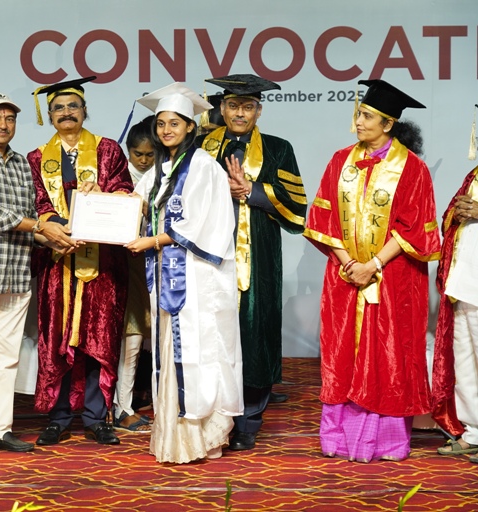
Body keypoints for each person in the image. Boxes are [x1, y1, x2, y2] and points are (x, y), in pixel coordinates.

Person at [303, 79, 440, 463]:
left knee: (387, 356)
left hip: (393, 278)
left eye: (366, 116)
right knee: (344, 355)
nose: (358, 123)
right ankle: (339, 439)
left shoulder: (412, 168)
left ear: (388, 123)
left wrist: (374, 264)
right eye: (359, 114)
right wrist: (350, 263)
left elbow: (414, 228)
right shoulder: (340, 160)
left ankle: (384, 441)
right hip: (345, 277)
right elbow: (324, 218)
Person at [0, 93, 76, 460]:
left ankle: (0, 429)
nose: (3, 125)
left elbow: (29, 219)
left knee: (6, 357)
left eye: (9, 118)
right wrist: (41, 227)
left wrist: (57, 240)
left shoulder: (21, 163)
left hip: (16, 274)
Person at [125, 82, 243, 463]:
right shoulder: (159, 169)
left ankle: (203, 435)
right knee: (171, 349)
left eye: (174, 123)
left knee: (199, 348)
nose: (166, 131)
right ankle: (176, 438)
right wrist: (101, 200)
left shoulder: (204, 167)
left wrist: (153, 240)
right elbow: (134, 204)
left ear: (190, 126)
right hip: (168, 276)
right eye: (161, 124)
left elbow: (197, 226)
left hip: (198, 278)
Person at [200, 74, 307, 450]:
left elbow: (297, 206)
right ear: (222, 107)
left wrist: (253, 190)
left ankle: (248, 420)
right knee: (212, 333)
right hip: (208, 254)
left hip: (257, 255)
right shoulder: (200, 147)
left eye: (248, 107)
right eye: (233, 106)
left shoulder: (278, 149)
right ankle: (213, 416)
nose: (240, 113)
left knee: (253, 331)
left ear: (259, 110)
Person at [28, 76, 132, 446]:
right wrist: (60, 229)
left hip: (102, 264)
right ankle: (58, 417)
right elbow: (37, 203)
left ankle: (95, 417)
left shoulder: (108, 150)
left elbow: (125, 193)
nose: (66, 112)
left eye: (73, 106)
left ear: (85, 111)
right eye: (58, 108)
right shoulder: (37, 158)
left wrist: (102, 194)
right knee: (57, 340)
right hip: (58, 263)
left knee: (98, 338)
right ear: (50, 116)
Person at [431, 148, 478, 459]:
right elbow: (451, 215)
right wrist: (456, 214)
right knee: (464, 362)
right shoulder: (474, 175)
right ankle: (473, 431)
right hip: (463, 282)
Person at [114, 117, 154, 433]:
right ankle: (122, 407)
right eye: (137, 154)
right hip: (128, 264)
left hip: (162, 265)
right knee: (132, 337)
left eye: (150, 154)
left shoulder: (166, 176)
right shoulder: (119, 178)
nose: (142, 160)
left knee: (159, 340)